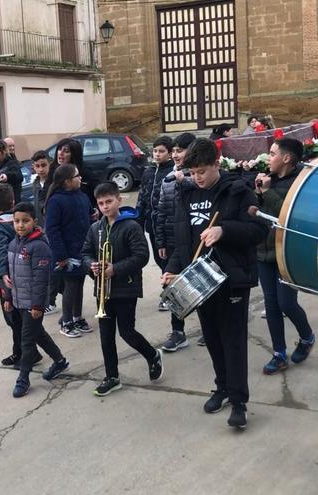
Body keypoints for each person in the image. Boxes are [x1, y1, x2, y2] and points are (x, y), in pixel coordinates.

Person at [161, 138, 268, 429]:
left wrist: (224, 230)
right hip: (200, 281)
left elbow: (260, 229)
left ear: (216, 164)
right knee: (212, 339)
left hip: (231, 280)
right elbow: (182, 240)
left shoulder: (237, 191)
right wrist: (172, 269)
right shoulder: (187, 194)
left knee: (233, 342)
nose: (197, 178)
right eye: (193, 172)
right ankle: (221, 387)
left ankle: (239, 402)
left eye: (202, 171)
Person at [81, 181, 163, 396]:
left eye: (109, 201)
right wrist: (91, 265)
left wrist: (114, 269)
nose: (106, 207)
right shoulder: (95, 228)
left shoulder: (131, 226)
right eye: (101, 203)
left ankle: (152, 355)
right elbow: (85, 253)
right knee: (106, 336)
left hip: (125, 288)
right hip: (102, 290)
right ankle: (112, 376)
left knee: (127, 332)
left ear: (119, 199)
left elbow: (142, 256)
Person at [254, 139, 316, 374]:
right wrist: (259, 194)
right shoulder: (268, 179)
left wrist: (268, 192)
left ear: (287, 158)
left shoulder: (300, 183)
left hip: (287, 251)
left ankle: (307, 337)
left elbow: (289, 216)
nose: (268, 157)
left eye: (272, 153)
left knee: (286, 302)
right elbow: (261, 211)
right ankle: (279, 353)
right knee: (271, 303)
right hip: (264, 249)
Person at [7, 202, 71, 398]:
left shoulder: (39, 247)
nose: (20, 225)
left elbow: (41, 279)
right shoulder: (13, 244)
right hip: (19, 301)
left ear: (34, 222)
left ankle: (23, 378)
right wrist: (8, 297)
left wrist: (37, 305)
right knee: (38, 334)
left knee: (27, 341)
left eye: (25, 221)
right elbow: (11, 276)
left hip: (33, 304)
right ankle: (60, 361)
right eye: (17, 221)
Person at [0, 184, 42, 368]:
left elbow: (1, 255)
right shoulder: (22, 221)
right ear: (12, 202)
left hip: (9, 280)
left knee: (14, 320)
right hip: (23, 277)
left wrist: (4, 284)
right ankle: (21, 352)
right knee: (20, 320)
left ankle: (27, 354)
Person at [156, 132, 197, 351]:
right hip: (174, 243)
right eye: (173, 151)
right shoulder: (168, 180)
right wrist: (161, 241)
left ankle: (210, 328)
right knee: (172, 286)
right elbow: (161, 212)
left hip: (198, 243)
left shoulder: (201, 178)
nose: (175, 155)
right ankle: (178, 332)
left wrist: (187, 181)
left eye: (179, 150)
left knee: (200, 286)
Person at [44, 164, 92, 338]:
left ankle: (77, 317)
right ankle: (66, 321)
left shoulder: (81, 196)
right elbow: (52, 230)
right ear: (66, 181)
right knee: (70, 286)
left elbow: (86, 216)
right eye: (76, 176)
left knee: (79, 284)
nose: (80, 178)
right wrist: (61, 256)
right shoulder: (56, 201)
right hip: (67, 253)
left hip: (82, 250)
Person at [31, 150, 61, 315]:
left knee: (52, 267)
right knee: (43, 267)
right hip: (40, 229)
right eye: (37, 166)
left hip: (52, 228)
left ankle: (51, 300)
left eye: (44, 165)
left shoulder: (54, 183)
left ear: (49, 164)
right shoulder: (36, 183)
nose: (41, 169)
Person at [146, 137, 175, 276]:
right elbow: (142, 197)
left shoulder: (171, 172)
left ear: (169, 153)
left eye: (161, 151)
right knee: (158, 258)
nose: (157, 154)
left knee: (167, 261)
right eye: (155, 151)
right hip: (151, 225)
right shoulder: (149, 171)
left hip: (165, 224)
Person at [0, 139, 23, 203]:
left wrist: (7, 176)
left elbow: (18, 176)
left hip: (9, 202)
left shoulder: (11, 163)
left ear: (4, 151)